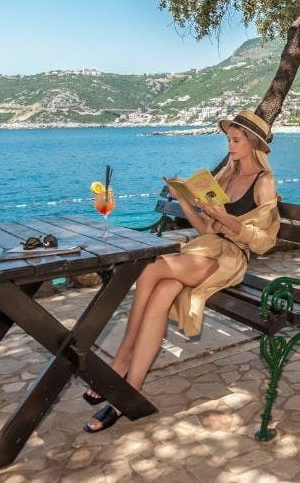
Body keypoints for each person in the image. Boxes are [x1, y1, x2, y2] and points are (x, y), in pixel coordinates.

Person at [83, 110, 280, 433]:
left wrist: (225, 217)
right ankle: (128, 391)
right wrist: (184, 199)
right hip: (206, 248)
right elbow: (205, 229)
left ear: (253, 144)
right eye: (228, 139)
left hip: (230, 258)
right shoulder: (225, 179)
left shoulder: (264, 182)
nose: (229, 145)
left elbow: (264, 243)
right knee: (162, 292)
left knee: (151, 268)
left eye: (235, 140)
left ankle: (120, 362)